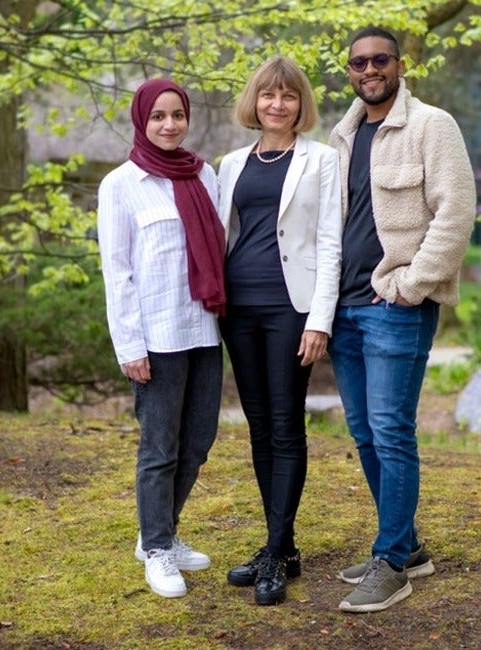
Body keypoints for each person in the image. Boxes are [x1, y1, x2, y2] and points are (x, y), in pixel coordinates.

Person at [327, 27, 477, 613]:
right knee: (365, 432)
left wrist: (412, 287)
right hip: (344, 308)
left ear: (400, 64)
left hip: (396, 307)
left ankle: (391, 562)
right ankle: (408, 546)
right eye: (359, 62)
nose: (370, 69)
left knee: (391, 430)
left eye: (380, 59)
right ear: (350, 70)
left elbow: (456, 212)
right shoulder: (341, 137)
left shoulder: (431, 125)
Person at [216, 57, 343, 606]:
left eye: (288, 96)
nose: (277, 104)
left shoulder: (322, 160)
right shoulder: (230, 163)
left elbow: (331, 241)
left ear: (300, 105)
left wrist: (321, 319)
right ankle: (282, 549)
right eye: (268, 95)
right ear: (254, 101)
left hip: (291, 308)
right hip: (237, 308)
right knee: (259, 425)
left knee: (287, 426)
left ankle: (275, 550)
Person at [96, 78, 226, 599]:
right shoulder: (121, 184)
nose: (169, 125)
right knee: (159, 448)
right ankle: (155, 548)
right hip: (157, 336)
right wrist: (129, 345)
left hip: (205, 330)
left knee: (197, 441)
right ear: (141, 121)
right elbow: (117, 270)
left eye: (177, 115)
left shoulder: (205, 175)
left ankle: (162, 532)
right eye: (158, 117)